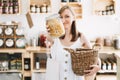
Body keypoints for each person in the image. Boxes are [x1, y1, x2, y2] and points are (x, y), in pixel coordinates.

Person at [45, 5, 101, 80]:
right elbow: (48, 39)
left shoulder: (81, 37)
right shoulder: (53, 37)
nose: (63, 20)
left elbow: (94, 56)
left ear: (73, 18)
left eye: (67, 16)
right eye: (61, 17)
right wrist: (50, 29)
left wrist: (98, 66)